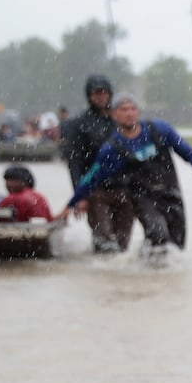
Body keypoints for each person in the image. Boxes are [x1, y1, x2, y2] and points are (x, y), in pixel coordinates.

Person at [59, 93, 192, 256]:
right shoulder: (112, 149)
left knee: (177, 245)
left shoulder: (160, 130)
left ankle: (144, 265)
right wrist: (70, 204)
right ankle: (150, 272)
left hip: (170, 192)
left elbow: (190, 154)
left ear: (138, 112)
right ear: (114, 114)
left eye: (133, 109)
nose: (129, 113)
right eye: (124, 110)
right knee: (158, 233)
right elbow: (91, 179)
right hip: (143, 198)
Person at [59, 74, 135, 253]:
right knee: (104, 241)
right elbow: (75, 162)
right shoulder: (78, 125)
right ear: (89, 96)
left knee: (123, 243)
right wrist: (80, 196)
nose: (101, 96)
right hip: (96, 191)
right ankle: (104, 275)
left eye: (105, 93)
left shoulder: (121, 122)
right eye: (97, 93)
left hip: (125, 189)